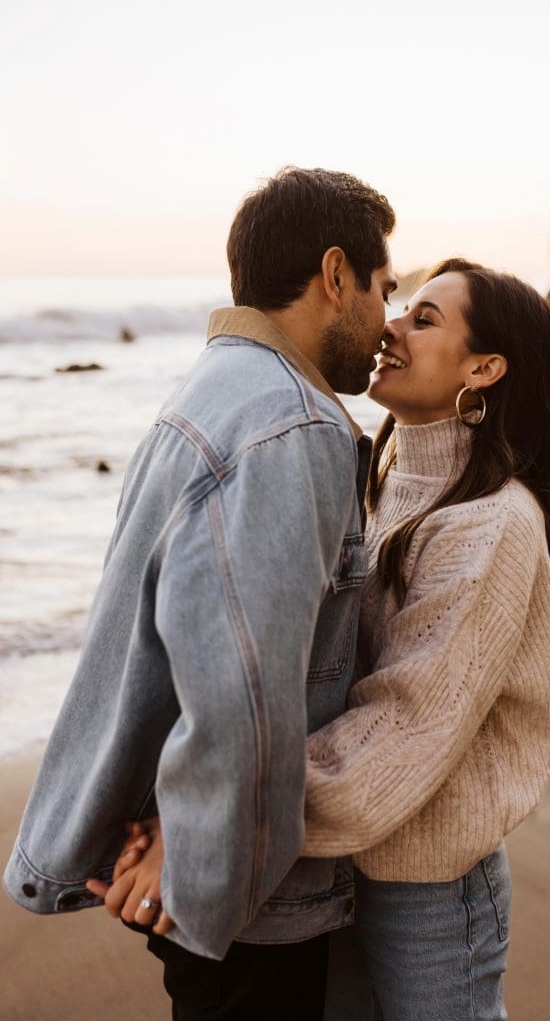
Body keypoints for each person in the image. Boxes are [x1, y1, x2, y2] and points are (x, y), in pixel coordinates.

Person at [108, 258, 550, 1019]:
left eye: (425, 320)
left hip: (433, 885)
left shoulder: (490, 523)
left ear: (484, 368)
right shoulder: (374, 482)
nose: (391, 325)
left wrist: (215, 819)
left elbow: (404, 726)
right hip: (349, 861)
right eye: (403, 307)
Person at [3, 166, 398, 1020]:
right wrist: (197, 867)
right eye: (382, 289)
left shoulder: (206, 393)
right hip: (243, 899)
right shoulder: (291, 425)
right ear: (336, 276)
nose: (385, 323)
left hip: (187, 849)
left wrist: (169, 831)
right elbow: (244, 692)